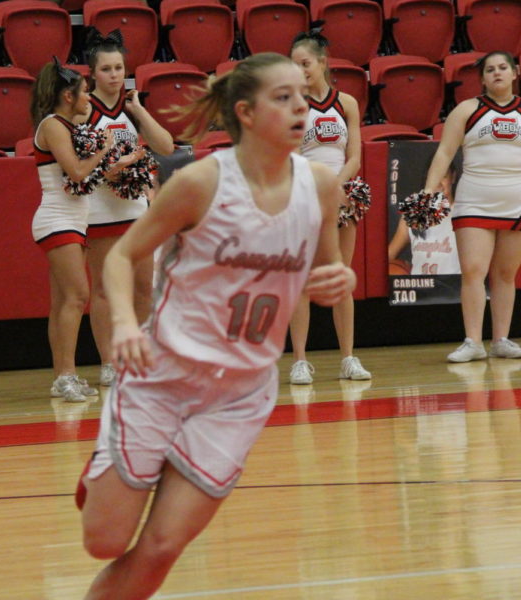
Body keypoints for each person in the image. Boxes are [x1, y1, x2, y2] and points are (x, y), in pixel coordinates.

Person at [78, 52, 356, 599]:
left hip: (240, 394)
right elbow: (119, 257)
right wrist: (126, 327)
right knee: (105, 542)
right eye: (284, 97)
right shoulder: (200, 183)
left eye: (302, 94)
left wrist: (334, 280)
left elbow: (326, 271)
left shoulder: (322, 186)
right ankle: (107, 467)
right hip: (161, 376)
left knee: (160, 549)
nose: (302, 106)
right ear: (246, 114)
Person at [423, 50, 521, 363]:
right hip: (474, 199)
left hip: (519, 200)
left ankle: (501, 340)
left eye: (502, 68)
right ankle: (472, 341)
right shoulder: (466, 111)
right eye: (489, 70)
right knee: (473, 270)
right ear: (482, 78)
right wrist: (430, 189)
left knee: (506, 273)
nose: (496, 73)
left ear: (514, 73)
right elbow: (444, 152)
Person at [80, 28, 174, 387]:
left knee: (142, 288)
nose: (115, 75)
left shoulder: (131, 108)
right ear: (93, 74)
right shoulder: (84, 110)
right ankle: (108, 362)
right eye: (106, 69)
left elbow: (165, 146)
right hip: (100, 208)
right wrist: (111, 171)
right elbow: (81, 161)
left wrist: (139, 111)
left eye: (119, 68)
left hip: (135, 208)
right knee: (104, 289)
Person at [30, 59, 123, 401]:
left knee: (62, 303)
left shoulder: (66, 124)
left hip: (73, 220)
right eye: (84, 92)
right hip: (58, 220)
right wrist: (104, 149)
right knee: (78, 296)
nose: (89, 98)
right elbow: (77, 172)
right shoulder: (53, 125)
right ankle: (66, 375)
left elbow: (85, 171)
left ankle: (62, 377)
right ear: (68, 96)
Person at [286, 28, 372, 385]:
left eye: (305, 63)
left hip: (342, 195)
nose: (299, 70)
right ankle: (300, 361)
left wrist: (336, 189)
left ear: (322, 62)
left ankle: (348, 358)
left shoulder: (346, 103)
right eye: (293, 65)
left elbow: (354, 156)